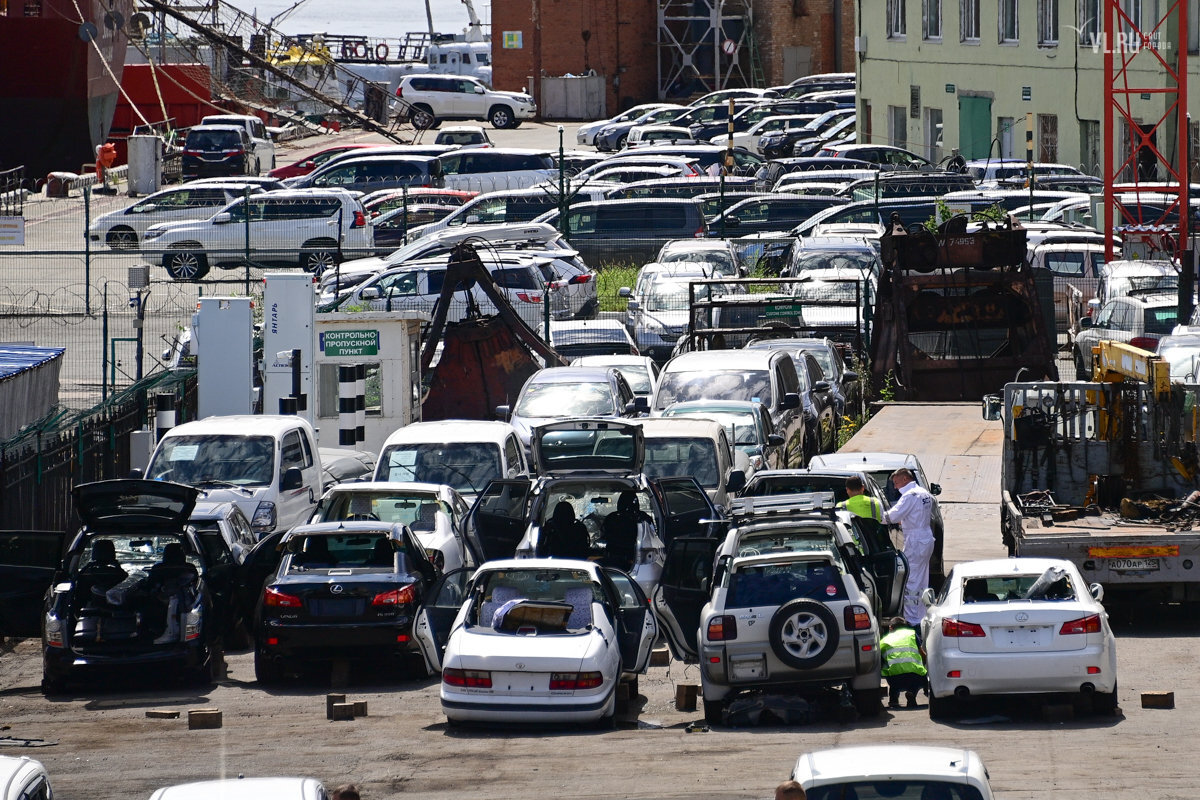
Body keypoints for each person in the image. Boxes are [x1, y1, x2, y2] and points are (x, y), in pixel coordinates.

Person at [882, 467, 936, 626]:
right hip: (925, 538)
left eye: (896, 483)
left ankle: (913, 621)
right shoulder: (924, 493)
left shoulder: (909, 496)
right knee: (922, 580)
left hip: (915, 540)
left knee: (911, 582)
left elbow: (892, 516)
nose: (896, 487)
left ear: (905, 479)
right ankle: (923, 614)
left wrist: (876, 514)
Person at [145, 542, 199, 644]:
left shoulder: (158, 569)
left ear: (165, 555)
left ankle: (154, 632)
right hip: (185, 604)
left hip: (161, 605)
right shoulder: (189, 568)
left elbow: (149, 587)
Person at [880, 617, 928, 709]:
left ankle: (893, 699)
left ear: (890, 627)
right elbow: (922, 654)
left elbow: (879, 661)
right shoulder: (912, 634)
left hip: (895, 679)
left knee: (889, 666)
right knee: (921, 673)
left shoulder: (884, 641)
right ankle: (912, 694)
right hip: (914, 677)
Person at [602, 489, 650, 570]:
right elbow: (650, 535)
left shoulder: (612, 517)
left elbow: (604, 535)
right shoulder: (643, 517)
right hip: (637, 557)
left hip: (614, 558)